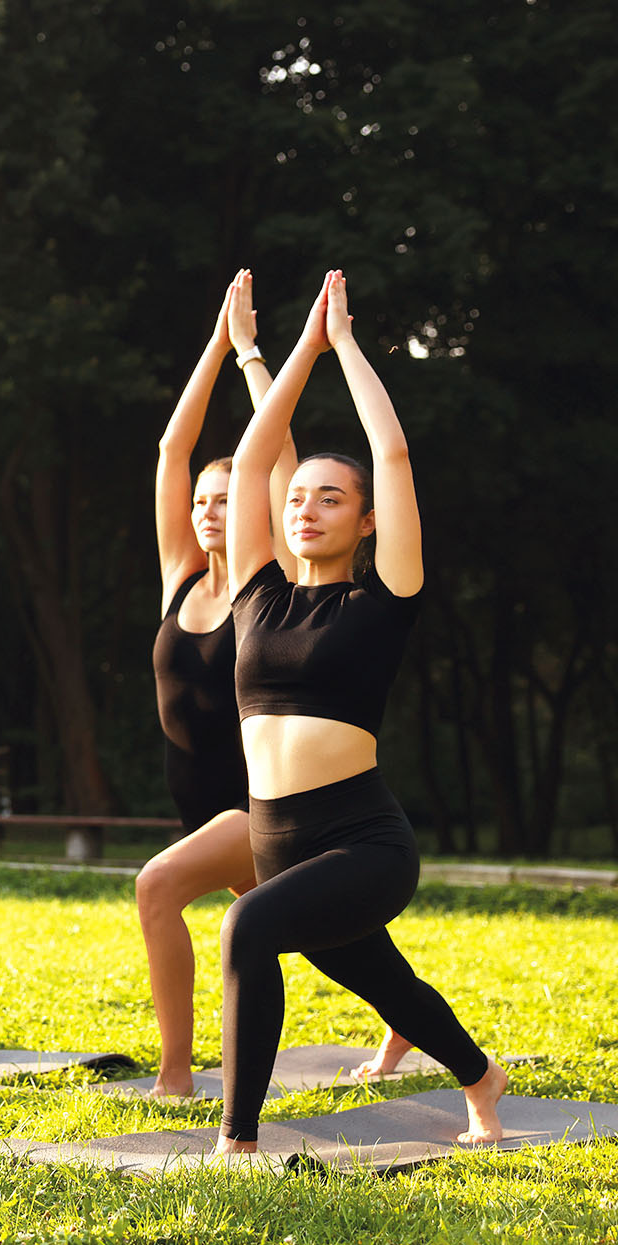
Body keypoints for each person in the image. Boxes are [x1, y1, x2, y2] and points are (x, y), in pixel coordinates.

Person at [214, 269, 506, 1153]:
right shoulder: (254, 593)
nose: (306, 508)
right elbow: (260, 459)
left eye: (331, 498)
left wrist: (343, 347)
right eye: (299, 499)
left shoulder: (384, 599)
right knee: (388, 985)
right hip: (279, 841)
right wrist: (285, 352)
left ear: (369, 521)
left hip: (363, 844)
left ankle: (236, 1141)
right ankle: (482, 1077)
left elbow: (395, 455)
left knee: (246, 926)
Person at [135, 269, 297, 1097]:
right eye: (202, 499)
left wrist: (252, 359)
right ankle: (410, 1029)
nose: (207, 510)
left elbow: (285, 456)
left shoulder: (272, 583)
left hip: (260, 806)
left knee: (157, 885)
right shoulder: (179, 578)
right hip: (204, 809)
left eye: (227, 498)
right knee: (338, 939)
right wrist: (214, 340)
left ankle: (175, 1075)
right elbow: (171, 448)